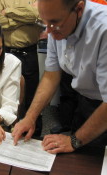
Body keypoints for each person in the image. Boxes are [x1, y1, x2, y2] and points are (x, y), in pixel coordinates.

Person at [12, 0, 107, 154]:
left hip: (103, 106)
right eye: (45, 23)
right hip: (85, 99)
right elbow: (51, 74)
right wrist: (30, 117)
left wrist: (74, 140)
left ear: (79, 9)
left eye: (55, 23)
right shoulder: (55, 23)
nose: (48, 31)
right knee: (79, 158)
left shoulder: (103, 29)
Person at [0, 0, 45, 135]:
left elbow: (40, 16)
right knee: (5, 92)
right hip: (6, 52)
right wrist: (26, 19)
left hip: (29, 52)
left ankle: (34, 132)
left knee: (31, 94)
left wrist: (8, 12)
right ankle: (5, 128)